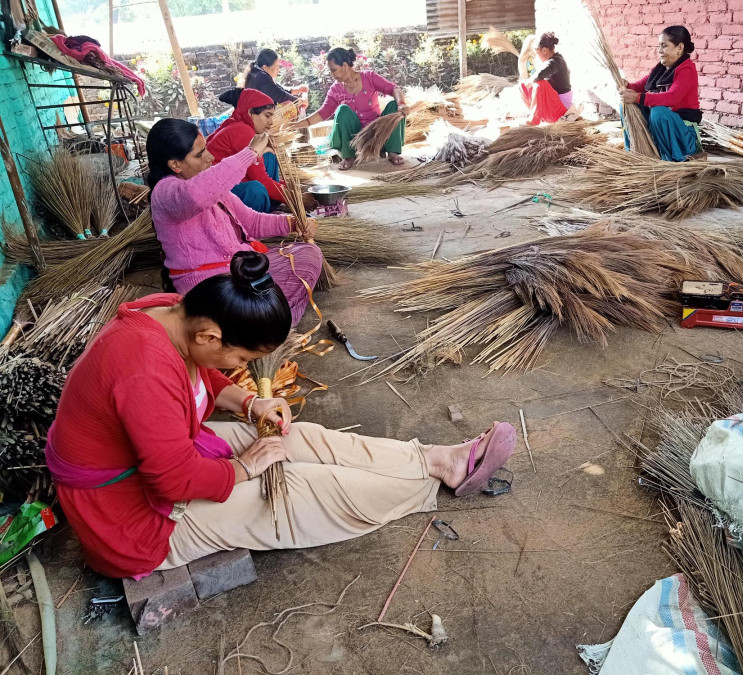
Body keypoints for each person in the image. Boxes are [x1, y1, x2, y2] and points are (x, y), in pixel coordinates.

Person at [44, 251, 518, 578]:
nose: (244, 370)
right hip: (131, 522)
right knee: (297, 489)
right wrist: (246, 466)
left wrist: (250, 403)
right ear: (210, 335)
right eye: (243, 359)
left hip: (163, 463)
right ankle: (422, 486)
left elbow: (200, 373)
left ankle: (439, 461)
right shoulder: (143, 371)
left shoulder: (171, 316)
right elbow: (173, 482)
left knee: (300, 438)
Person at [147, 117, 321, 326]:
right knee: (261, 302)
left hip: (239, 273)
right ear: (175, 164)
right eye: (200, 154)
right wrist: (251, 153)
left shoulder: (209, 187)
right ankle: (268, 323)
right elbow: (196, 196)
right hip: (211, 289)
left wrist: (293, 223)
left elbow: (251, 222)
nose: (210, 158)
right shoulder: (165, 192)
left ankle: (269, 320)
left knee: (308, 254)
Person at [290, 47, 407, 170]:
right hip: (353, 138)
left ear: (345, 65)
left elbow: (394, 89)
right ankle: (348, 156)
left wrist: (402, 104)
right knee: (342, 110)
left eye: (334, 70)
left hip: (377, 133)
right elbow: (323, 113)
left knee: (394, 106)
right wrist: (296, 125)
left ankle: (392, 152)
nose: (332, 75)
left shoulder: (369, 77)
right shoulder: (335, 90)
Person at [620, 25, 703, 162]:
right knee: (625, 105)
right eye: (659, 46)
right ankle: (634, 152)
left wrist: (637, 97)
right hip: (664, 131)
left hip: (683, 136)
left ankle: (670, 159)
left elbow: (672, 97)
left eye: (664, 46)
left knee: (659, 112)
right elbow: (639, 87)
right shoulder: (660, 69)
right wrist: (626, 85)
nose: (659, 51)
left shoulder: (686, 69)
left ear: (679, 48)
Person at [205, 88, 287, 213]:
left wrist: (288, 188)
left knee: (269, 155)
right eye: (267, 116)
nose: (271, 122)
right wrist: (293, 197)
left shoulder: (242, 125)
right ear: (250, 113)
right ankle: (256, 223)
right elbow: (260, 178)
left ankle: (271, 202)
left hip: (235, 180)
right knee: (255, 191)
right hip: (216, 192)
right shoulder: (241, 130)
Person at [519, 33, 572, 125]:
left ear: (544, 50)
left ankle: (533, 121)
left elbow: (540, 74)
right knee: (522, 85)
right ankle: (535, 115)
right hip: (554, 105)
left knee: (540, 84)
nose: (537, 57)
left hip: (562, 109)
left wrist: (531, 81)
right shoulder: (553, 60)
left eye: (537, 53)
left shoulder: (556, 61)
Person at [241, 48, 308, 106]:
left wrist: (298, 89)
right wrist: (300, 101)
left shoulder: (256, 73)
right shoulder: (261, 77)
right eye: (276, 66)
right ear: (265, 67)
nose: (278, 69)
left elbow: (278, 89)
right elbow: (280, 95)